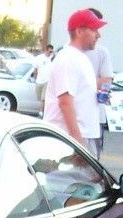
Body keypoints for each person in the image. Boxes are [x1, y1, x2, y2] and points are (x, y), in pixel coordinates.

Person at [43, 9, 107, 152]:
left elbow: (78, 96)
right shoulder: (67, 59)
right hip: (67, 140)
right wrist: (78, 144)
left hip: (81, 137)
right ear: (79, 31)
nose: (99, 35)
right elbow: (65, 102)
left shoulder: (80, 58)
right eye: (94, 30)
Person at [85, 8, 113, 157]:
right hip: (71, 118)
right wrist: (93, 82)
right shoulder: (66, 52)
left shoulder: (102, 52)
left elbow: (106, 82)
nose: (98, 34)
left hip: (95, 118)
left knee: (92, 161)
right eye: (95, 28)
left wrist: (81, 81)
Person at [33, 44, 54, 117]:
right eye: (49, 51)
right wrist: (35, 78)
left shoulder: (52, 59)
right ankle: (42, 111)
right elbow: (35, 69)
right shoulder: (39, 58)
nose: (50, 53)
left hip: (47, 81)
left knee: (43, 98)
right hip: (39, 81)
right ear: (46, 50)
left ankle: (41, 113)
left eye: (51, 52)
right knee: (39, 98)